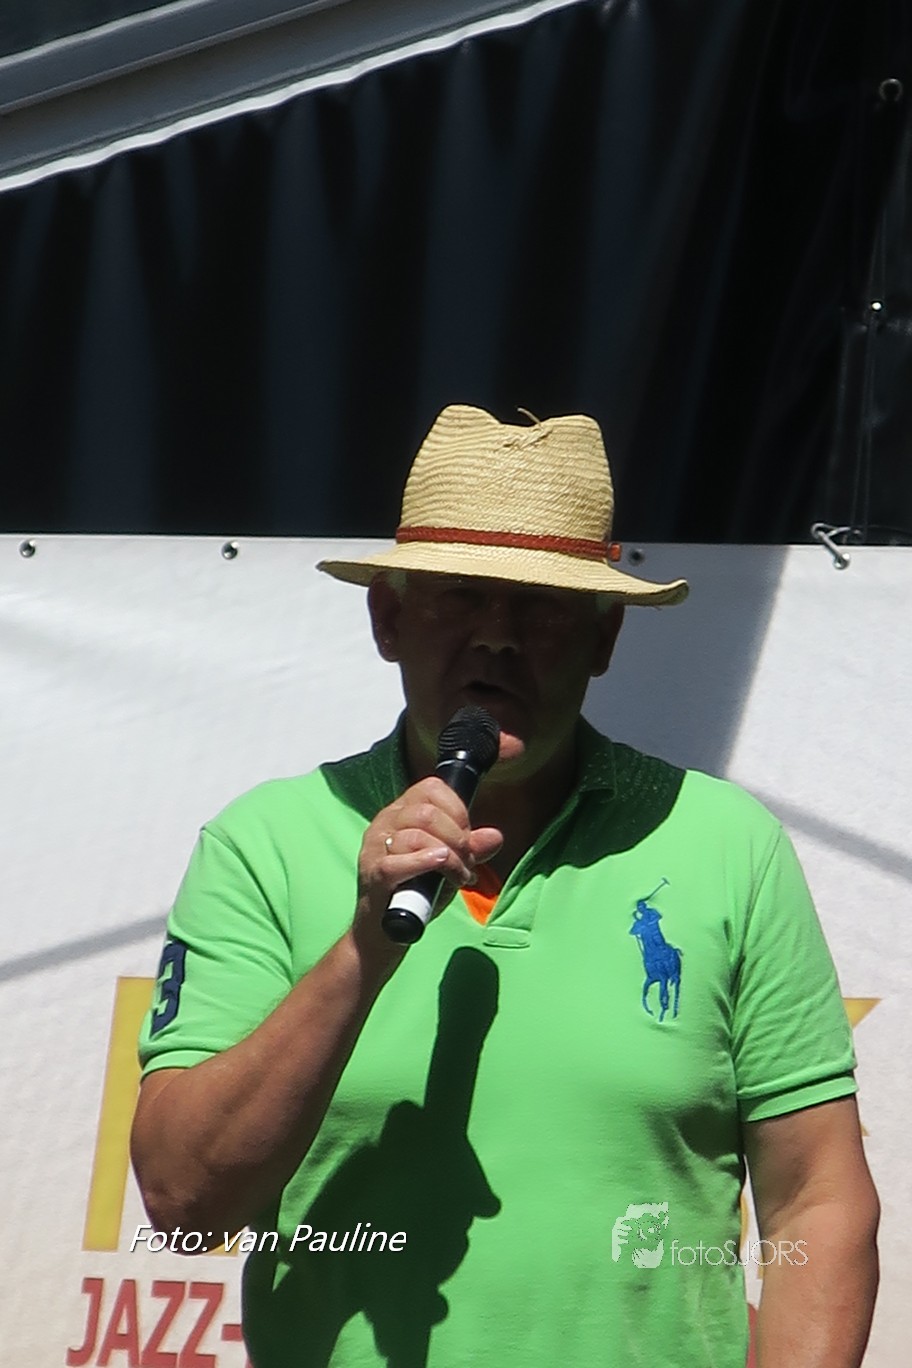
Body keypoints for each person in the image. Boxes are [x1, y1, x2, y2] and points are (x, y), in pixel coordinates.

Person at [131, 404, 879, 1368]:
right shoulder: (261, 843)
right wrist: (364, 946)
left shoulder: (728, 845)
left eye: (542, 606)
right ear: (388, 619)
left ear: (605, 636)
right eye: (461, 597)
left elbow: (817, 1198)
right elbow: (184, 1206)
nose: (498, 638)